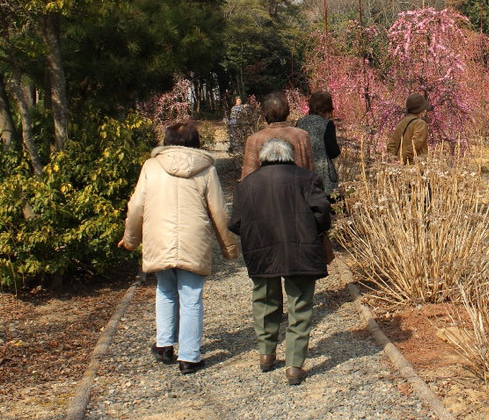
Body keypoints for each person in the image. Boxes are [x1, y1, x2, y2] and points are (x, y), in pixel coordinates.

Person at [118, 121, 239, 374]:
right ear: (196, 142)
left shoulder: (151, 166)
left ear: (166, 140)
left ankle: (164, 344)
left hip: (159, 236)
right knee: (191, 296)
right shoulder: (206, 169)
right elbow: (219, 211)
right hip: (194, 238)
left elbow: (136, 206)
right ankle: (190, 357)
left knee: (165, 290)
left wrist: (130, 239)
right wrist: (229, 247)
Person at [229, 138, 331, 385]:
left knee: (264, 300)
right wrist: (309, 231)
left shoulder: (246, 185)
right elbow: (322, 213)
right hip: (301, 249)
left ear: (263, 158)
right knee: (300, 305)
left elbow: (235, 223)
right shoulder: (307, 179)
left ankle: (266, 353)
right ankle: (294, 365)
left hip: (262, 251)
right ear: (290, 156)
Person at [240, 91, 313, 180]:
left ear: (264, 113)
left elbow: (248, 177)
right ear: (287, 112)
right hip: (298, 189)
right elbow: (311, 172)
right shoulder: (302, 136)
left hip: (265, 191)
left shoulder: (254, 140)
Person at [296, 91, 340, 199]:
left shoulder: (300, 123)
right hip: (324, 177)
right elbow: (333, 152)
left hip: (303, 173)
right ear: (328, 107)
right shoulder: (327, 124)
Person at [387, 93, 431, 163]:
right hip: (414, 167)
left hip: (397, 168)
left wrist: (395, 162)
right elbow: (414, 145)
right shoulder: (420, 123)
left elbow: (391, 145)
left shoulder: (401, 123)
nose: (425, 110)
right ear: (420, 109)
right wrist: (403, 160)